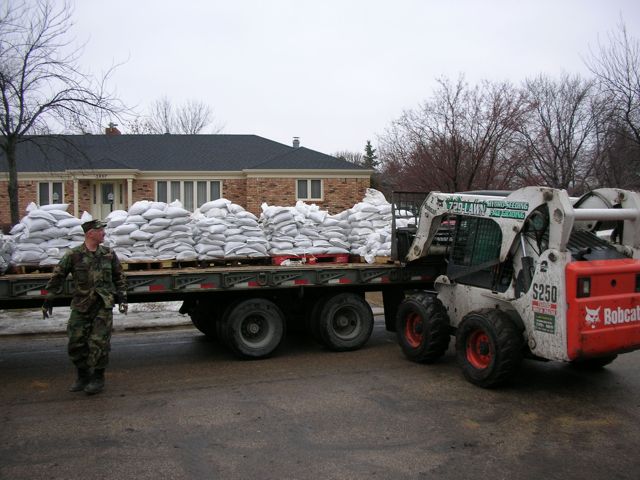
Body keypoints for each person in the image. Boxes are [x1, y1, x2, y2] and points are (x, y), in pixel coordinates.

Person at [42, 219, 128, 395]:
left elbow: (119, 276)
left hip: (103, 305)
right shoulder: (74, 255)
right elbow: (58, 275)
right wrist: (49, 298)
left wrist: (122, 297)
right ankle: (83, 376)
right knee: (76, 343)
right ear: (90, 233)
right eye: (100, 230)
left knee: (100, 343)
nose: (104, 233)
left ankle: (98, 378)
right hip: (81, 305)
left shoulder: (108, 254)